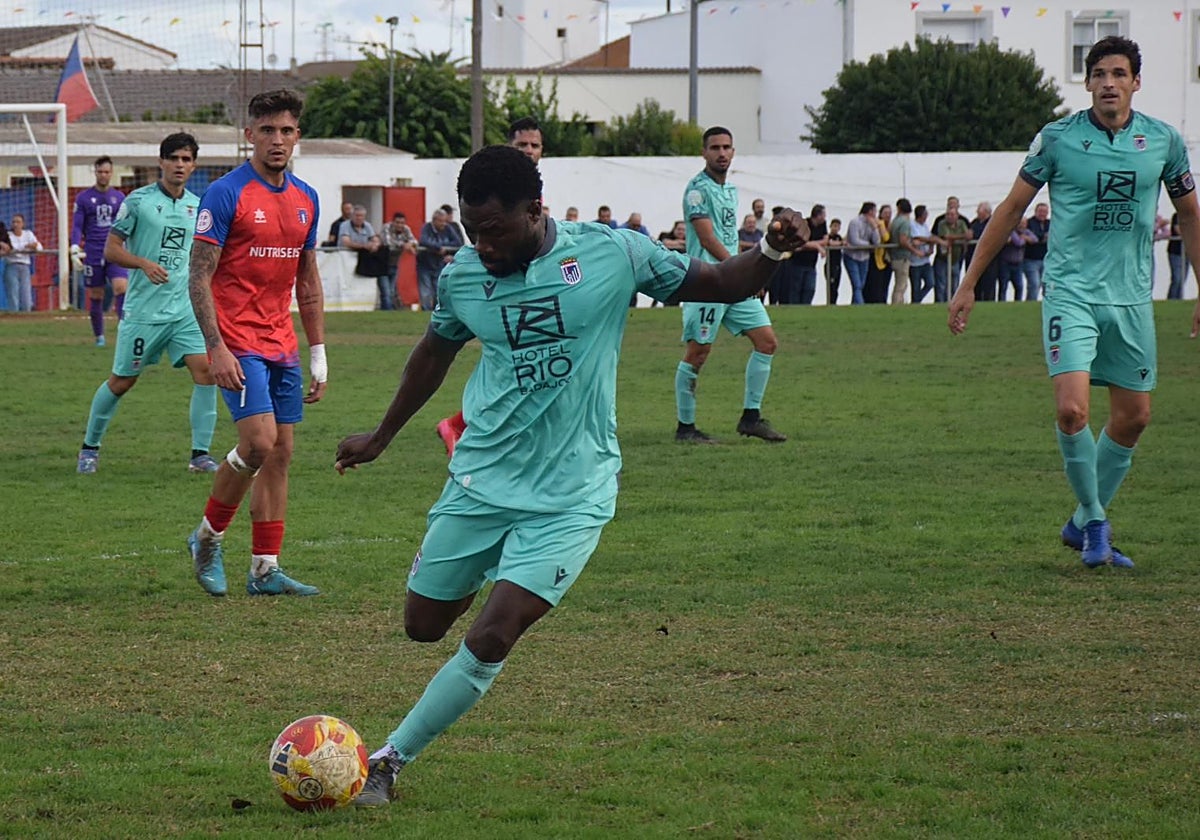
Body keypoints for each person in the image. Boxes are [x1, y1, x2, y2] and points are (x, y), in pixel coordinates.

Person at [332, 144, 809, 808]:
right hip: (482, 479)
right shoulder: (467, 275)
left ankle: (388, 760)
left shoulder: (614, 253)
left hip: (573, 492)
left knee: (493, 634)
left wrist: (774, 252)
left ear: (537, 210)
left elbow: (725, 283)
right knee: (422, 626)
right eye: (473, 231)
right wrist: (382, 435)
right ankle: (470, 568)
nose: (483, 245)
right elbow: (434, 350)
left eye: (495, 230)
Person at [948, 36, 1200, 569]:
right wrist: (969, 281)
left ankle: (1080, 522)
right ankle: (1096, 523)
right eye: (1099, 74)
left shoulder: (1164, 141)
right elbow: (1012, 209)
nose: (1109, 82)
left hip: (1131, 299)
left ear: (1136, 81)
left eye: (1119, 73)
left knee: (1134, 418)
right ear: (1086, 83)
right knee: (1072, 411)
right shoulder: (1057, 139)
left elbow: (1190, 215)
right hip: (1070, 293)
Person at [186, 88, 327, 598]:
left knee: (282, 452)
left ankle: (265, 569)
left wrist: (318, 352)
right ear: (250, 135)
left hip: (282, 343)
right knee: (259, 442)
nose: (277, 140)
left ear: (297, 138)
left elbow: (307, 281)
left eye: (286, 131)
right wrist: (216, 347)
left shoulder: (307, 198)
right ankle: (206, 538)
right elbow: (198, 277)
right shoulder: (226, 193)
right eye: (267, 130)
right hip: (237, 340)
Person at [75, 133, 219, 475]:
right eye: (174, 158)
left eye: (186, 159)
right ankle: (89, 448)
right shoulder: (137, 201)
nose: (180, 165)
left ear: (193, 165)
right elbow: (111, 250)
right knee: (122, 381)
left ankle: (200, 455)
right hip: (143, 312)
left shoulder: (199, 206)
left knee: (207, 373)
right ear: (161, 162)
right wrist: (142, 263)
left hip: (185, 310)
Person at [435, 117, 545, 456]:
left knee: (527, 360)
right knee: (520, 358)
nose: (528, 151)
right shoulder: (489, 181)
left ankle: (459, 423)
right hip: (495, 282)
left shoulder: (531, 189)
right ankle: (464, 424)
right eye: (522, 145)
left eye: (535, 145)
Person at [675, 126, 786, 444]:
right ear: (704, 152)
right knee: (698, 353)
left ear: (734, 152)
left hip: (732, 277)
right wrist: (739, 271)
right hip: (706, 281)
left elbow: (728, 239)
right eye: (715, 147)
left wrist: (752, 271)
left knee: (767, 342)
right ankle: (686, 428)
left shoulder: (731, 191)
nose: (721, 153)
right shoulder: (697, 190)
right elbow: (708, 239)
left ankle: (751, 418)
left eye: (726, 147)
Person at [73, 155, 128, 345]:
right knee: (96, 294)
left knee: (121, 287)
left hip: (115, 249)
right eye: (100, 171)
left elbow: (126, 224)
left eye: (107, 172)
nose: (103, 175)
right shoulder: (84, 198)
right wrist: (74, 246)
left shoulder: (119, 198)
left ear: (111, 173)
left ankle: (123, 334)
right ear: (95, 172)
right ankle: (99, 337)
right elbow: (78, 225)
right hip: (93, 251)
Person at [340, 205, 392, 311]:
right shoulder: (345, 225)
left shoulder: (367, 226)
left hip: (366, 261)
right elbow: (345, 242)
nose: (359, 218)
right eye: (357, 215)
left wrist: (375, 244)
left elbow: (375, 239)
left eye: (362, 216)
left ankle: (387, 308)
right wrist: (365, 246)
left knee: (381, 283)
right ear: (352, 216)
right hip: (345, 261)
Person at [416, 209, 461, 312]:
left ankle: (437, 311)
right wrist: (437, 248)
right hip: (425, 264)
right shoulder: (427, 228)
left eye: (445, 221)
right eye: (441, 221)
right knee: (425, 291)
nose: (443, 224)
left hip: (440, 263)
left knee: (438, 289)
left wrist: (446, 250)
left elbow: (458, 242)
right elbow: (423, 240)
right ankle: (425, 311)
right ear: (434, 220)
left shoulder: (448, 228)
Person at [844, 202, 880, 305]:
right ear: (869, 211)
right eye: (874, 211)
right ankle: (861, 305)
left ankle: (854, 306)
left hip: (864, 258)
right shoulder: (855, 222)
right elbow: (855, 241)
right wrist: (869, 245)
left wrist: (875, 228)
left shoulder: (872, 224)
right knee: (857, 284)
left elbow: (877, 242)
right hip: (852, 257)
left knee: (861, 284)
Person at [933, 203, 970, 302]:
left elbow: (969, 235)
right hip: (943, 259)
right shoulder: (941, 223)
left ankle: (954, 303)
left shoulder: (962, 223)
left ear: (957, 216)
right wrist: (962, 236)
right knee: (942, 285)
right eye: (948, 214)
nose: (950, 217)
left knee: (955, 284)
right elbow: (947, 236)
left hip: (956, 259)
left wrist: (959, 237)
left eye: (952, 215)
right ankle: (940, 305)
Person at [5, 213, 42, 312]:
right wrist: (25, 246)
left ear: (23, 224)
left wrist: (34, 246)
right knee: (13, 291)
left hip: (25, 265)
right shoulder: (8, 235)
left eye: (18, 222)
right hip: (11, 265)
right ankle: (14, 314)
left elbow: (39, 247)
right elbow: (11, 249)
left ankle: (27, 313)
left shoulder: (28, 234)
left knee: (26, 292)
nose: (15, 224)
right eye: (14, 222)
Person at [889, 198, 921, 305]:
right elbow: (903, 240)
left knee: (900, 283)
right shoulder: (905, 222)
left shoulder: (895, 221)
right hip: (902, 257)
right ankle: (897, 304)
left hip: (894, 256)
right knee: (901, 285)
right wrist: (915, 250)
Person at [967, 201, 1000, 301]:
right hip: (974, 257)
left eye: (979, 211)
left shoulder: (992, 222)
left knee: (988, 282)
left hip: (989, 259)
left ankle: (989, 300)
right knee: (976, 283)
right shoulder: (974, 222)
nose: (977, 212)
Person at [998, 217, 1037, 301]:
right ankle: (1002, 303)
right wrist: (1025, 238)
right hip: (1006, 263)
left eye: (1024, 223)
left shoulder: (1025, 232)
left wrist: (1026, 237)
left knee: (1019, 286)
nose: (1022, 225)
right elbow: (1018, 242)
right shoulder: (1011, 231)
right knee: (1003, 286)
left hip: (1018, 263)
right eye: (1020, 223)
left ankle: (1018, 302)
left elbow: (1035, 239)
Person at [383, 212, 418, 300]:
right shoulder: (386, 227)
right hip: (381, 264)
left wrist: (409, 245)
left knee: (391, 291)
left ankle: (389, 311)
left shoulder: (406, 229)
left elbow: (415, 241)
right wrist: (404, 245)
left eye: (402, 223)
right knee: (386, 292)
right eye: (397, 222)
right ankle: (387, 309)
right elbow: (388, 243)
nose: (399, 225)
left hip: (394, 264)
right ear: (393, 222)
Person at [864, 203, 892, 303]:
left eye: (890, 213)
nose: (888, 215)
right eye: (886, 213)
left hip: (885, 260)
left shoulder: (890, 224)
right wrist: (880, 226)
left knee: (884, 284)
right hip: (875, 258)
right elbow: (885, 237)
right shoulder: (879, 223)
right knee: (875, 284)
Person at [1023, 202, 1051, 300]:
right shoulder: (1029, 222)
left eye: (1044, 212)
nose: (1042, 214)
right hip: (1031, 259)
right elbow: (1033, 236)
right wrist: (1043, 236)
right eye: (1040, 211)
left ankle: (1044, 304)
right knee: (1034, 284)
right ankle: (1030, 303)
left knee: (1046, 284)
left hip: (1045, 259)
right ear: (1035, 212)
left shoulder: (1050, 223)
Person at [909, 205, 936, 303]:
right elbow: (917, 238)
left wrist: (931, 247)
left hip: (925, 261)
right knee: (915, 286)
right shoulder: (912, 225)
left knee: (930, 283)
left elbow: (929, 238)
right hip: (915, 262)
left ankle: (917, 300)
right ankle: (915, 302)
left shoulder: (925, 225)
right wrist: (927, 240)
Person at [1167, 212, 1190, 299]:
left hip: (1187, 253)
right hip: (1175, 252)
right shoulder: (1177, 216)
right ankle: (1172, 299)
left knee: (1183, 279)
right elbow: (1177, 230)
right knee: (1177, 278)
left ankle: (1179, 299)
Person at [826, 217, 843, 304]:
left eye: (838, 227)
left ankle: (834, 303)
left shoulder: (839, 237)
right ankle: (830, 302)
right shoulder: (827, 237)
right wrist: (840, 243)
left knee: (836, 285)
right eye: (834, 226)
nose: (836, 228)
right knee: (831, 285)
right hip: (830, 264)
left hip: (837, 265)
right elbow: (830, 243)